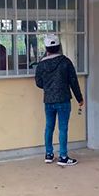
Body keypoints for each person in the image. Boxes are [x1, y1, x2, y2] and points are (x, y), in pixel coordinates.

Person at [35, 34, 84, 166]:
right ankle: (63, 157)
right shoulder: (65, 62)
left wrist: (49, 87)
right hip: (63, 100)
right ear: (59, 47)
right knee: (63, 128)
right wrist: (79, 98)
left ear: (46, 48)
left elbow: (38, 83)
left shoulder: (41, 64)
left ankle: (49, 154)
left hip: (48, 100)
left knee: (49, 127)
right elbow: (73, 81)